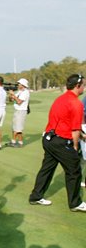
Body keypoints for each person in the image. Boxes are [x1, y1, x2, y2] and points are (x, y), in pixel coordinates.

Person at [29, 73, 86, 212]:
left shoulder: (60, 99)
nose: (84, 87)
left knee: (47, 168)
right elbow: (75, 130)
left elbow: (64, 121)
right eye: (83, 85)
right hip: (62, 141)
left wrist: (82, 136)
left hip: (49, 138)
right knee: (74, 171)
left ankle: (36, 196)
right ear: (77, 86)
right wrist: (75, 146)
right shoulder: (76, 103)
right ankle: (75, 203)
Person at [6, 78, 30, 148]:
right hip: (17, 111)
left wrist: (14, 95)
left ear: (23, 85)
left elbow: (19, 102)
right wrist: (11, 95)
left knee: (18, 128)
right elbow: (11, 100)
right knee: (15, 128)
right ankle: (16, 142)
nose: (18, 85)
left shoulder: (25, 92)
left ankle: (18, 142)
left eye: (19, 84)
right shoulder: (19, 91)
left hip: (21, 111)